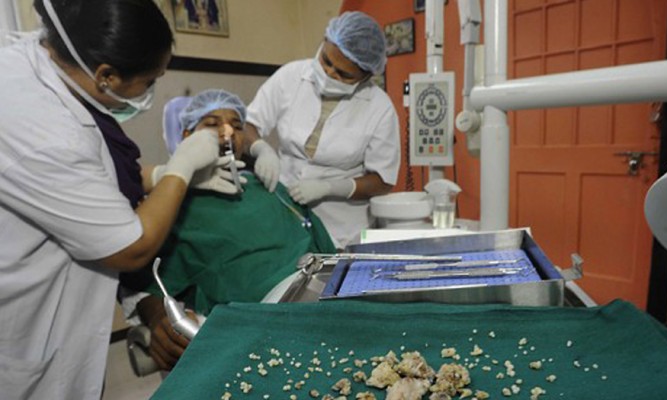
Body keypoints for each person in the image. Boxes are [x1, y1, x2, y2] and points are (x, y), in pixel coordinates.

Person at [0, 1, 238, 398]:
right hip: (25, 328)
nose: (152, 91)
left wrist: (159, 176)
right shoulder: (41, 130)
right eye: (149, 82)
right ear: (106, 75)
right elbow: (131, 248)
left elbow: (93, 179)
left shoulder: (49, 66)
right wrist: (180, 167)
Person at [120, 89, 335, 371]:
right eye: (211, 125)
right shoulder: (173, 203)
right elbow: (142, 285)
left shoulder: (272, 188)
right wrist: (157, 315)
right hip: (254, 328)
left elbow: (333, 256)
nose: (226, 132)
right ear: (187, 138)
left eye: (236, 126)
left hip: (323, 311)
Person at [241, 11, 401, 249]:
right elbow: (247, 124)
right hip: (286, 212)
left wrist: (331, 188)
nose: (329, 73)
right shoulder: (291, 76)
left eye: (343, 74)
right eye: (326, 60)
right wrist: (260, 148)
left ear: (366, 74)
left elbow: (381, 180)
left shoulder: (380, 108)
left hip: (341, 230)